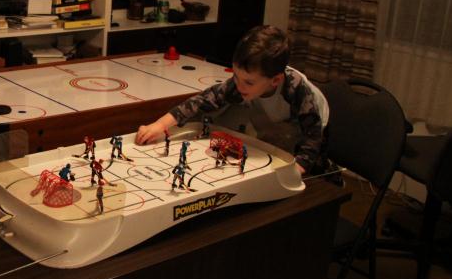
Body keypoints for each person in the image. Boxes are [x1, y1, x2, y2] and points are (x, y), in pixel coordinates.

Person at [136, 25, 329, 175]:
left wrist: (298, 170)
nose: (239, 86)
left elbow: (313, 136)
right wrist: (159, 125)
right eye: (236, 76)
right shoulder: (243, 84)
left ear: (275, 80)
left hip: (313, 123)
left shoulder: (296, 89)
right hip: (275, 116)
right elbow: (200, 101)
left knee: (309, 163)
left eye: (248, 82)